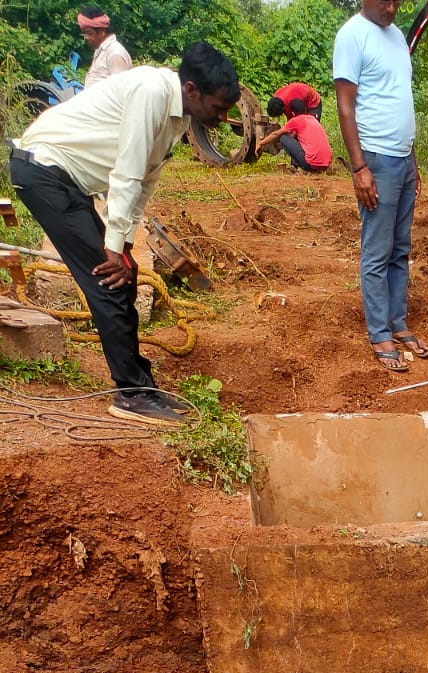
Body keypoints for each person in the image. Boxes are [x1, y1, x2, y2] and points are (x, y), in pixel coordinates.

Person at [9, 43, 239, 427]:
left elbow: (145, 181)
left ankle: (142, 387)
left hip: (68, 182)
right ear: (192, 89)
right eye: (218, 108)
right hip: (44, 171)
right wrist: (112, 249)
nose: (221, 118)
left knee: (122, 279)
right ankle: (130, 394)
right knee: (108, 282)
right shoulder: (151, 92)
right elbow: (127, 174)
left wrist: (125, 246)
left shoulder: (178, 116)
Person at [333, 0, 428, 372]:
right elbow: (345, 107)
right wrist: (359, 168)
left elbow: (399, 100)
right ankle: (379, 332)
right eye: (385, 0)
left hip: (403, 160)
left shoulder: (395, 39)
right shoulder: (352, 36)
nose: (392, 8)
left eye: (397, 1)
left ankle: (398, 322)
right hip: (375, 160)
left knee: (400, 248)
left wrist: (413, 158)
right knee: (377, 250)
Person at [258, 108, 332, 173]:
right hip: (326, 165)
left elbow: (276, 134)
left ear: (292, 112)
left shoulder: (296, 120)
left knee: (283, 138)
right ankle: (297, 166)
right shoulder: (313, 119)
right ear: (305, 110)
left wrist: (261, 143)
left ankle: (302, 167)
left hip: (310, 165)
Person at [78, 7, 132, 86]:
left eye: (89, 33)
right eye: (84, 33)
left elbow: (120, 90)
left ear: (102, 31)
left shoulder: (114, 53)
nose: (86, 38)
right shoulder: (101, 50)